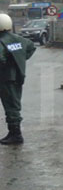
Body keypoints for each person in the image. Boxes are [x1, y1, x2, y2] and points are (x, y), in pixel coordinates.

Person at [0, 14, 36, 145]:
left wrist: (8, 63)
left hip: (6, 77)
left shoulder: (1, 41)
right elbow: (31, 47)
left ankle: (16, 134)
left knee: (10, 105)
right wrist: (20, 59)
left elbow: (1, 58)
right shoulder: (19, 39)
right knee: (15, 103)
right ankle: (13, 132)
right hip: (18, 75)